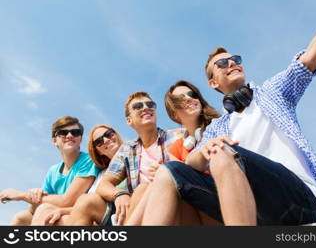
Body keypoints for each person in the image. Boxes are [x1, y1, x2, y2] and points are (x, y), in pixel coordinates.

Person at [140, 0, 316, 225]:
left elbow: (312, 56)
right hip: (252, 210)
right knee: (169, 172)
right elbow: (193, 162)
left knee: (222, 151)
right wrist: (205, 148)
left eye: (235, 59)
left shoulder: (273, 92)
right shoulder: (218, 126)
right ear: (213, 83)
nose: (231, 63)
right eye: (222, 63)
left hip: (297, 201)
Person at [67, 91, 182, 226]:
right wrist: (119, 194)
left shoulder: (178, 136)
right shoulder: (127, 149)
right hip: (135, 207)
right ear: (129, 120)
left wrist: (168, 172)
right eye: (138, 106)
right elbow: (104, 185)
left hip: (171, 202)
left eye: (150, 104)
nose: (146, 107)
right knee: (85, 202)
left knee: (143, 189)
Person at [126, 80, 220, 225]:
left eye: (192, 94)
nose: (189, 98)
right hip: (193, 211)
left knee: (165, 175)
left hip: (219, 206)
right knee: (144, 188)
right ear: (174, 114)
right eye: (180, 99)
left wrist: (164, 173)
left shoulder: (219, 126)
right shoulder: (177, 147)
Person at [2, 116, 99, 226]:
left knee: (45, 210)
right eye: (63, 132)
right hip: (58, 213)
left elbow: (67, 201)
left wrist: (22, 195)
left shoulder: (88, 161)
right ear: (54, 141)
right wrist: (34, 194)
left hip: (83, 217)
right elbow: (33, 209)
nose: (70, 135)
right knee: (22, 217)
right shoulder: (53, 171)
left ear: (80, 139)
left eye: (75, 132)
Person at [37, 124, 125, 226]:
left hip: (127, 213)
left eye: (109, 134)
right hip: (106, 219)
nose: (105, 140)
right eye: (99, 142)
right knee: (46, 212)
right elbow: (85, 205)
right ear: (98, 151)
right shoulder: (102, 175)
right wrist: (62, 211)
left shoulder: (137, 156)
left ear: (116, 134)